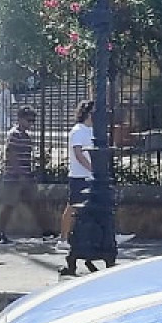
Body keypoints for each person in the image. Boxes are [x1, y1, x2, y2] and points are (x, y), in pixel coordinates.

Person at [0, 107, 54, 244]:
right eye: (29, 120)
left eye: (33, 121)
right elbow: (11, 155)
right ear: (20, 119)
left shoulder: (25, 136)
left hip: (25, 176)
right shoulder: (14, 134)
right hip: (14, 177)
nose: (31, 124)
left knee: (35, 204)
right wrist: (21, 174)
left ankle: (46, 231)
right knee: (9, 205)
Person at [60, 100, 95, 247]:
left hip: (90, 176)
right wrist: (92, 168)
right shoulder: (78, 131)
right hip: (79, 176)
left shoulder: (91, 130)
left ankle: (103, 235)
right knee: (73, 206)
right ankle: (63, 239)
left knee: (96, 206)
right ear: (88, 114)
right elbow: (78, 153)